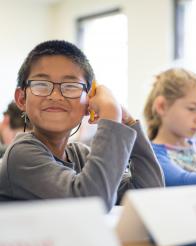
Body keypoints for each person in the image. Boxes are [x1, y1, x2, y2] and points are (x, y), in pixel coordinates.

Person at [0, 40, 164, 209]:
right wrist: (110, 114)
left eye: (71, 86)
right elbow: (93, 204)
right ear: (21, 99)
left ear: (88, 103)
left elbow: (149, 194)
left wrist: (128, 122)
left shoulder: (81, 156)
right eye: (41, 84)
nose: (55, 96)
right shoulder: (21, 153)